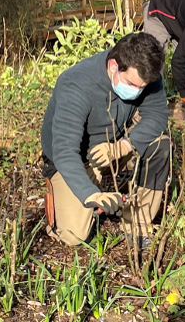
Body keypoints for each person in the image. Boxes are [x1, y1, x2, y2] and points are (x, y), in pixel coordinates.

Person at [40, 32, 170, 249]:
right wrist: (89, 192)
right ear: (113, 66)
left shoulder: (147, 74)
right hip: (75, 160)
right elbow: (64, 150)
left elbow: (157, 115)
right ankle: (73, 196)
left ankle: (136, 224)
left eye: (143, 87)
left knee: (160, 146)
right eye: (131, 84)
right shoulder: (76, 84)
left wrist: (124, 145)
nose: (138, 92)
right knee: (74, 237)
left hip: (113, 147)